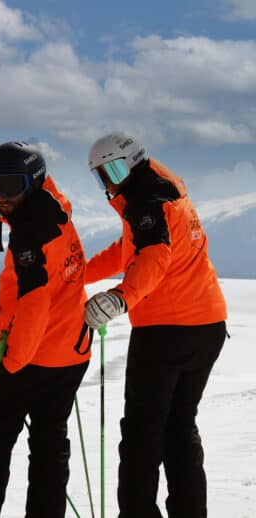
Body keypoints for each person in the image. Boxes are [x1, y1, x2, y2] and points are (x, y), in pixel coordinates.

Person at [83, 131, 227, 517]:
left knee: (142, 438)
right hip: (208, 325)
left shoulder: (146, 200)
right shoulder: (162, 187)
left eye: (113, 169)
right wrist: (81, 273)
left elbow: (153, 257)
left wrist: (120, 297)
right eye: (102, 175)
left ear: (131, 162)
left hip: (167, 331)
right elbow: (130, 249)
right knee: (179, 428)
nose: (110, 181)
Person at [0, 142, 91, 517]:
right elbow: (47, 287)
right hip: (71, 352)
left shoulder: (30, 232)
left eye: (9, 186)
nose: (0, 197)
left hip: (36, 357)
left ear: (31, 183)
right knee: (49, 447)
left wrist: (12, 362)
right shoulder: (55, 210)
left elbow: (34, 305)